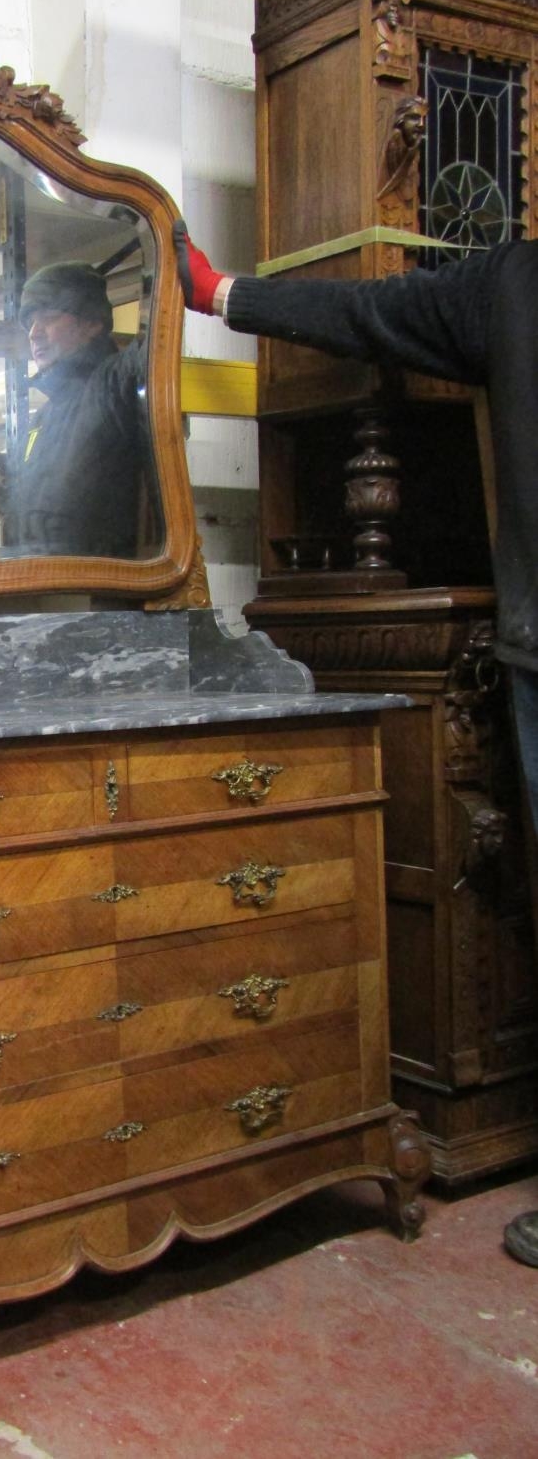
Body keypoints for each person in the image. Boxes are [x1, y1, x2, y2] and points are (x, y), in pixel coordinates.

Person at [173, 219, 538, 1267]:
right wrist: (223, 295)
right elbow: (368, 311)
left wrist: (219, 294)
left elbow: (375, 312)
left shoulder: (516, 283)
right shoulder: (509, 284)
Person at [10, 261, 156, 557]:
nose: (34, 333)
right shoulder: (41, 419)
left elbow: (156, 351)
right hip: (41, 590)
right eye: (30, 324)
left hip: (97, 593)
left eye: (49, 318)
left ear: (92, 323)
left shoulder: (111, 385)